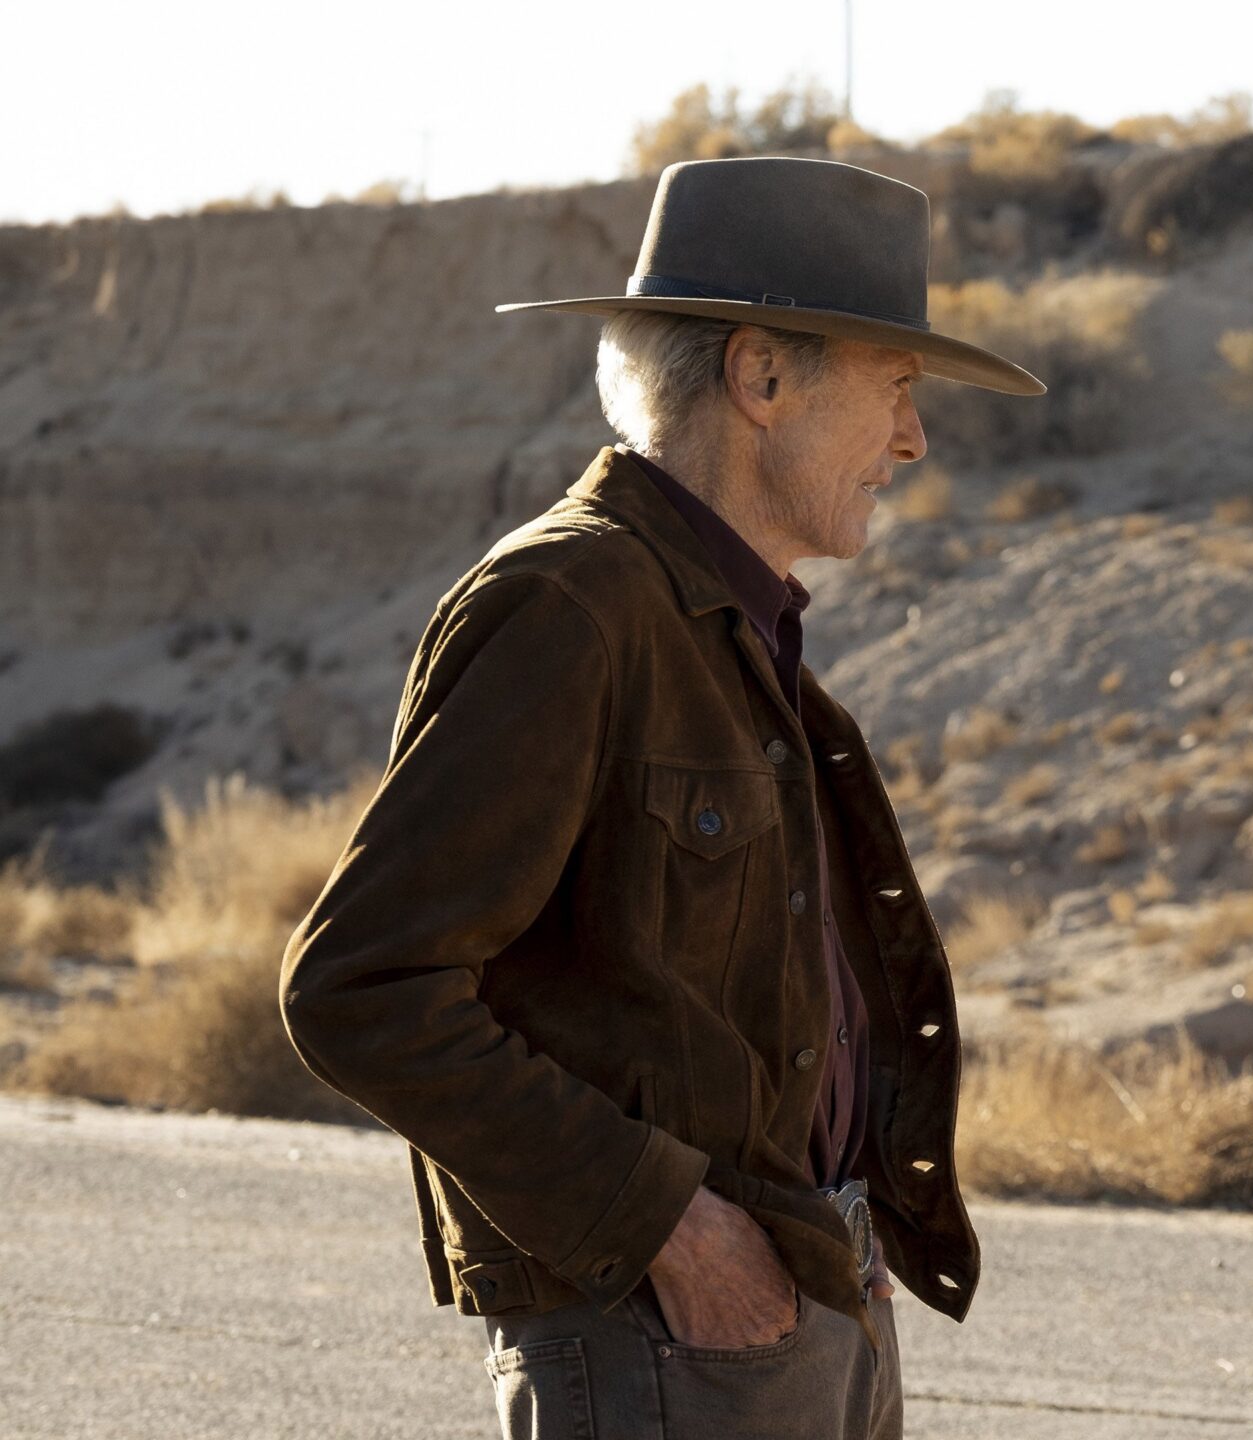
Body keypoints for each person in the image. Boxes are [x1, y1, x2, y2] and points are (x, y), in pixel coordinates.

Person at [279, 157, 1043, 1440]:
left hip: (804, 1292)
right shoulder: (571, 605)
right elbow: (360, 988)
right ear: (761, 378)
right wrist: (675, 1236)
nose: (913, 439)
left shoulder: (729, 625)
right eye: (895, 388)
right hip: (665, 1332)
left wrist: (828, 1245)